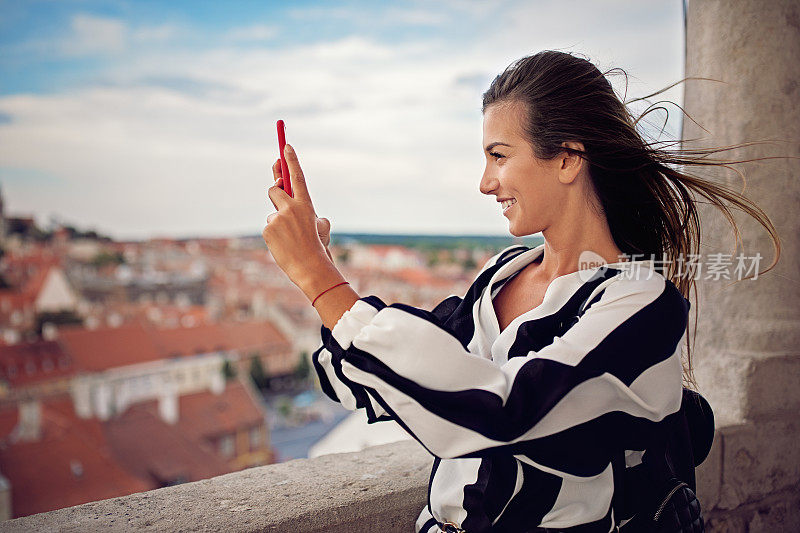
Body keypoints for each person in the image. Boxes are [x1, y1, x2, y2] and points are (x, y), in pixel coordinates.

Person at [261, 51, 780, 532]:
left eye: (499, 155)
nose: (485, 182)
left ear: (568, 158)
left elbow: (506, 411)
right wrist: (321, 273)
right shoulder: (499, 275)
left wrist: (320, 280)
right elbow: (380, 384)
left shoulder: (642, 304)